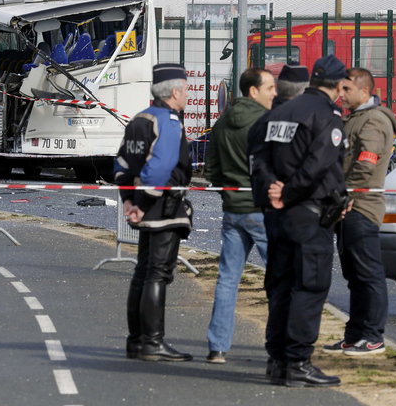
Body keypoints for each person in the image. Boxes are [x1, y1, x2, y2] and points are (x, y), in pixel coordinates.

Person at [251, 55, 347, 388]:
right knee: (309, 286)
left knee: (280, 286)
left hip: (278, 216)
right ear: (337, 86)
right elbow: (318, 165)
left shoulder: (276, 114)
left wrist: (271, 192)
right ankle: (298, 361)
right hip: (308, 214)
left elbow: (257, 157)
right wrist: (290, 191)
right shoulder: (327, 117)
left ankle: (277, 359)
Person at [115, 63, 194, 362]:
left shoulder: (139, 118)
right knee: (158, 274)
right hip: (164, 205)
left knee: (142, 272)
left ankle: (136, 340)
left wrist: (129, 201)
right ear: (174, 91)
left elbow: (121, 165)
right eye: (185, 89)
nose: (187, 94)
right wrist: (143, 203)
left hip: (142, 203)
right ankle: (152, 342)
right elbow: (160, 169)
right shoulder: (170, 121)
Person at [323, 68, 396, 356]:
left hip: (361, 207)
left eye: (347, 90)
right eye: (340, 90)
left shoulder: (373, 121)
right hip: (348, 206)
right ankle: (354, 335)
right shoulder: (355, 118)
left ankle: (373, 336)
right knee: (354, 275)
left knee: (369, 275)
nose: (340, 95)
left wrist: (350, 193)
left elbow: (367, 161)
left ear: (364, 91)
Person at [204, 68, 276, 364]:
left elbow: (211, 170)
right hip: (262, 210)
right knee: (280, 280)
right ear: (253, 91)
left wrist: (230, 194)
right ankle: (278, 347)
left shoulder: (222, 123)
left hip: (233, 209)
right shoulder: (266, 123)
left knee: (227, 279)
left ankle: (217, 347)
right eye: (269, 87)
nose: (274, 92)